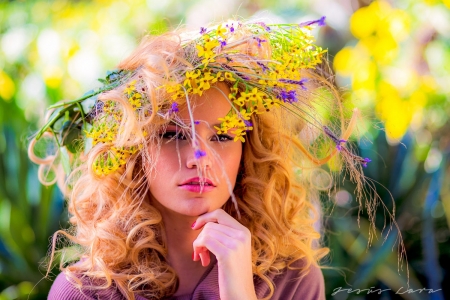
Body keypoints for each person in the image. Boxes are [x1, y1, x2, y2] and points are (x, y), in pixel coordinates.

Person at [29, 17, 371, 299]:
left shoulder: (292, 281)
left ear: (247, 151)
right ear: (134, 149)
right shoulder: (87, 291)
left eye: (222, 136)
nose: (199, 157)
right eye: (172, 134)